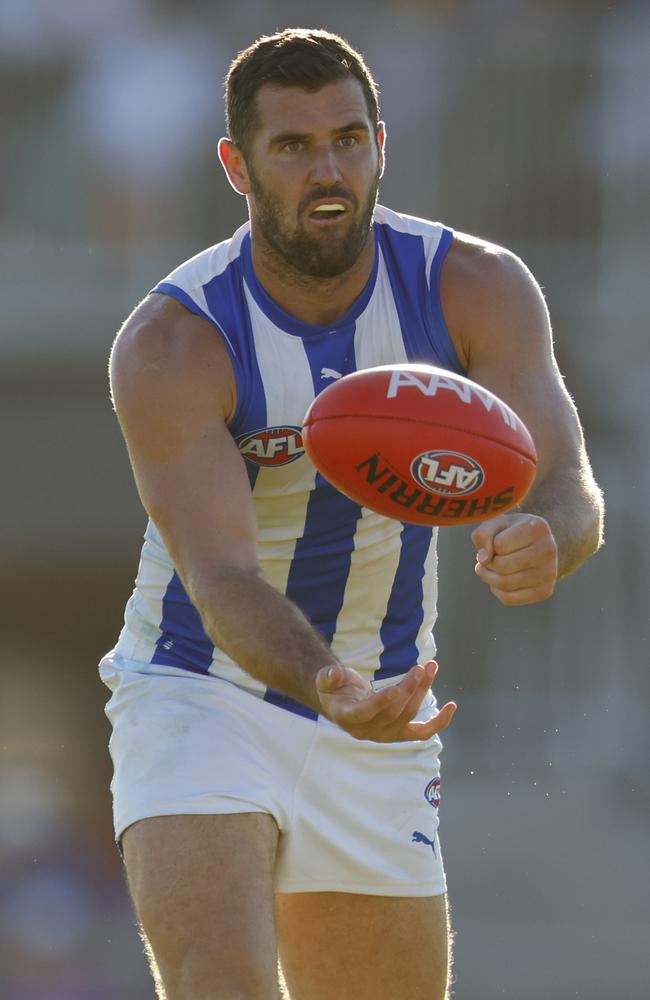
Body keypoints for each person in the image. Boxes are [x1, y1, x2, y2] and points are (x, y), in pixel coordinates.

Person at [102, 27, 604, 1000]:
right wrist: (321, 680)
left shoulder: (474, 284)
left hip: (381, 706)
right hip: (201, 688)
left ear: (382, 143)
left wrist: (549, 536)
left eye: (347, 139)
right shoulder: (176, 340)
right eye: (291, 147)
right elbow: (221, 577)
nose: (325, 168)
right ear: (235, 166)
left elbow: (567, 481)